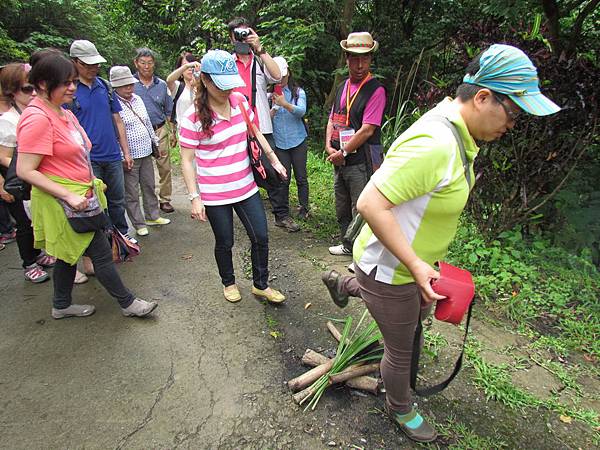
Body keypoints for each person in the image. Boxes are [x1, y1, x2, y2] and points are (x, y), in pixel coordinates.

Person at [323, 44, 561, 442]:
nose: (514, 124)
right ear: (483, 97)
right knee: (401, 347)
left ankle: (344, 283)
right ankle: (399, 406)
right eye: (514, 112)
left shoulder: (457, 131)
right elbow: (369, 202)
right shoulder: (437, 142)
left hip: (406, 265)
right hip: (393, 268)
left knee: (404, 317)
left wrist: (422, 264)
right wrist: (417, 266)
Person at [16, 52, 158, 319]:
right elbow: (25, 169)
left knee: (68, 256)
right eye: (66, 83)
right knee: (101, 253)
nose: (73, 87)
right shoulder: (37, 118)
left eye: (73, 81)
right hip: (65, 203)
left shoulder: (61, 112)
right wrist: (68, 195)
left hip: (82, 196)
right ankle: (128, 303)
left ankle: (60, 305)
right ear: (44, 84)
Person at [179, 50, 287, 304]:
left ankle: (261, 284)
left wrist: (274, 159)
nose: (227, 91)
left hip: (246, 186)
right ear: (206, 80)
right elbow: (186, 159)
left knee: (261, 236)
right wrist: (195, 198)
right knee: (224, 241)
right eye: (220, 85)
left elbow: (256, 132)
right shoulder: (193, 116)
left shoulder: (239, 100)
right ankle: (228, 282)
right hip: (215, 194)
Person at [325, 32, 386, 256]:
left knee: (362, 206)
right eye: (354, 58)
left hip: (363, 159)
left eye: (365, 58)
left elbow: (368, 129)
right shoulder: (342, 87)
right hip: (340, 160)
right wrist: (329, 147)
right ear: (347, 58)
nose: (360, 65)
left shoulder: (375, 90)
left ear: (370, 59)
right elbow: (332, 118)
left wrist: (343, 151)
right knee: (342, 205)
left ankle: (364, 254)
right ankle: (347, 244)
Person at [69, 40, 132, 239]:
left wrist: (126, 151)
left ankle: (121, 236)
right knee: (96, 202)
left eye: (95, 64)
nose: (93, 68)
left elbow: (118, 120)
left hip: (112, 154)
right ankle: (103, 239)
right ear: (75, 62)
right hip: (87, 159)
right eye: (88, 64)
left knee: (117, 200)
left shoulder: (104, 86)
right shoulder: (69, 90)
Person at [0, 62, 55, 282]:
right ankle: (29, 263)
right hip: (22, 183)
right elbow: (4, 156)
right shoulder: (8, 121)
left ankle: (39, 254)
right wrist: (28, 165)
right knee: (25, 224)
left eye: (35, 87)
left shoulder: (38, 111)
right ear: (12, 90)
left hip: (41, 179)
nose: (33, 93)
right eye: (26, 89)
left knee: (38, 221)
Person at [110, 66, 171, 237]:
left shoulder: (137, 98)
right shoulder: (113, 104)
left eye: (130, 84)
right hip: (129, 154)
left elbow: (147, 123)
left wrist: (155, 143)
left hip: (145, 150)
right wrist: (124, 154)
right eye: (124, 86)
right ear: (116, 87)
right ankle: (138, 223)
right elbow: (115, 132)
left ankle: (153, 216)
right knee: (131, 191)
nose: (129, 89)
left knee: (149, 185)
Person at [133, 48, 175, 214]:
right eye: (143, 63)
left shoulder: (161, 85)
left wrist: (172, 131)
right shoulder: (130, 84)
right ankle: (147, 203)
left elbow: (169, 110)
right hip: (138, 132)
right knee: (143, 171)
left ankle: (165, 199)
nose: (146, 66)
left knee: (164, 167)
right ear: (136, 63)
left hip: (159, 130)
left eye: (149, 63)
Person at [269, 56, 309, 230]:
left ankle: (304, 208)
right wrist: (273, 108)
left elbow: (301, 111)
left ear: (288, 73)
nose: (281, 79)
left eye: (283, 76)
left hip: (298, 140)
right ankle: (283, 212)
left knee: (301, 176)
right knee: (283, 178)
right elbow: (265, 119)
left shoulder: (298, 92)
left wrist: (285, 104)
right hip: (280, 142)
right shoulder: (268, 94)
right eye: (278, 77)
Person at [166, 52, 200, 128]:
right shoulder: (178, 86)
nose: (190, 68)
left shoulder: (203, 86)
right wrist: (187, 66)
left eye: (192, 65)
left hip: (202, 129)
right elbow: (169, 80)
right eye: (185, 66)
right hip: (184, 130)